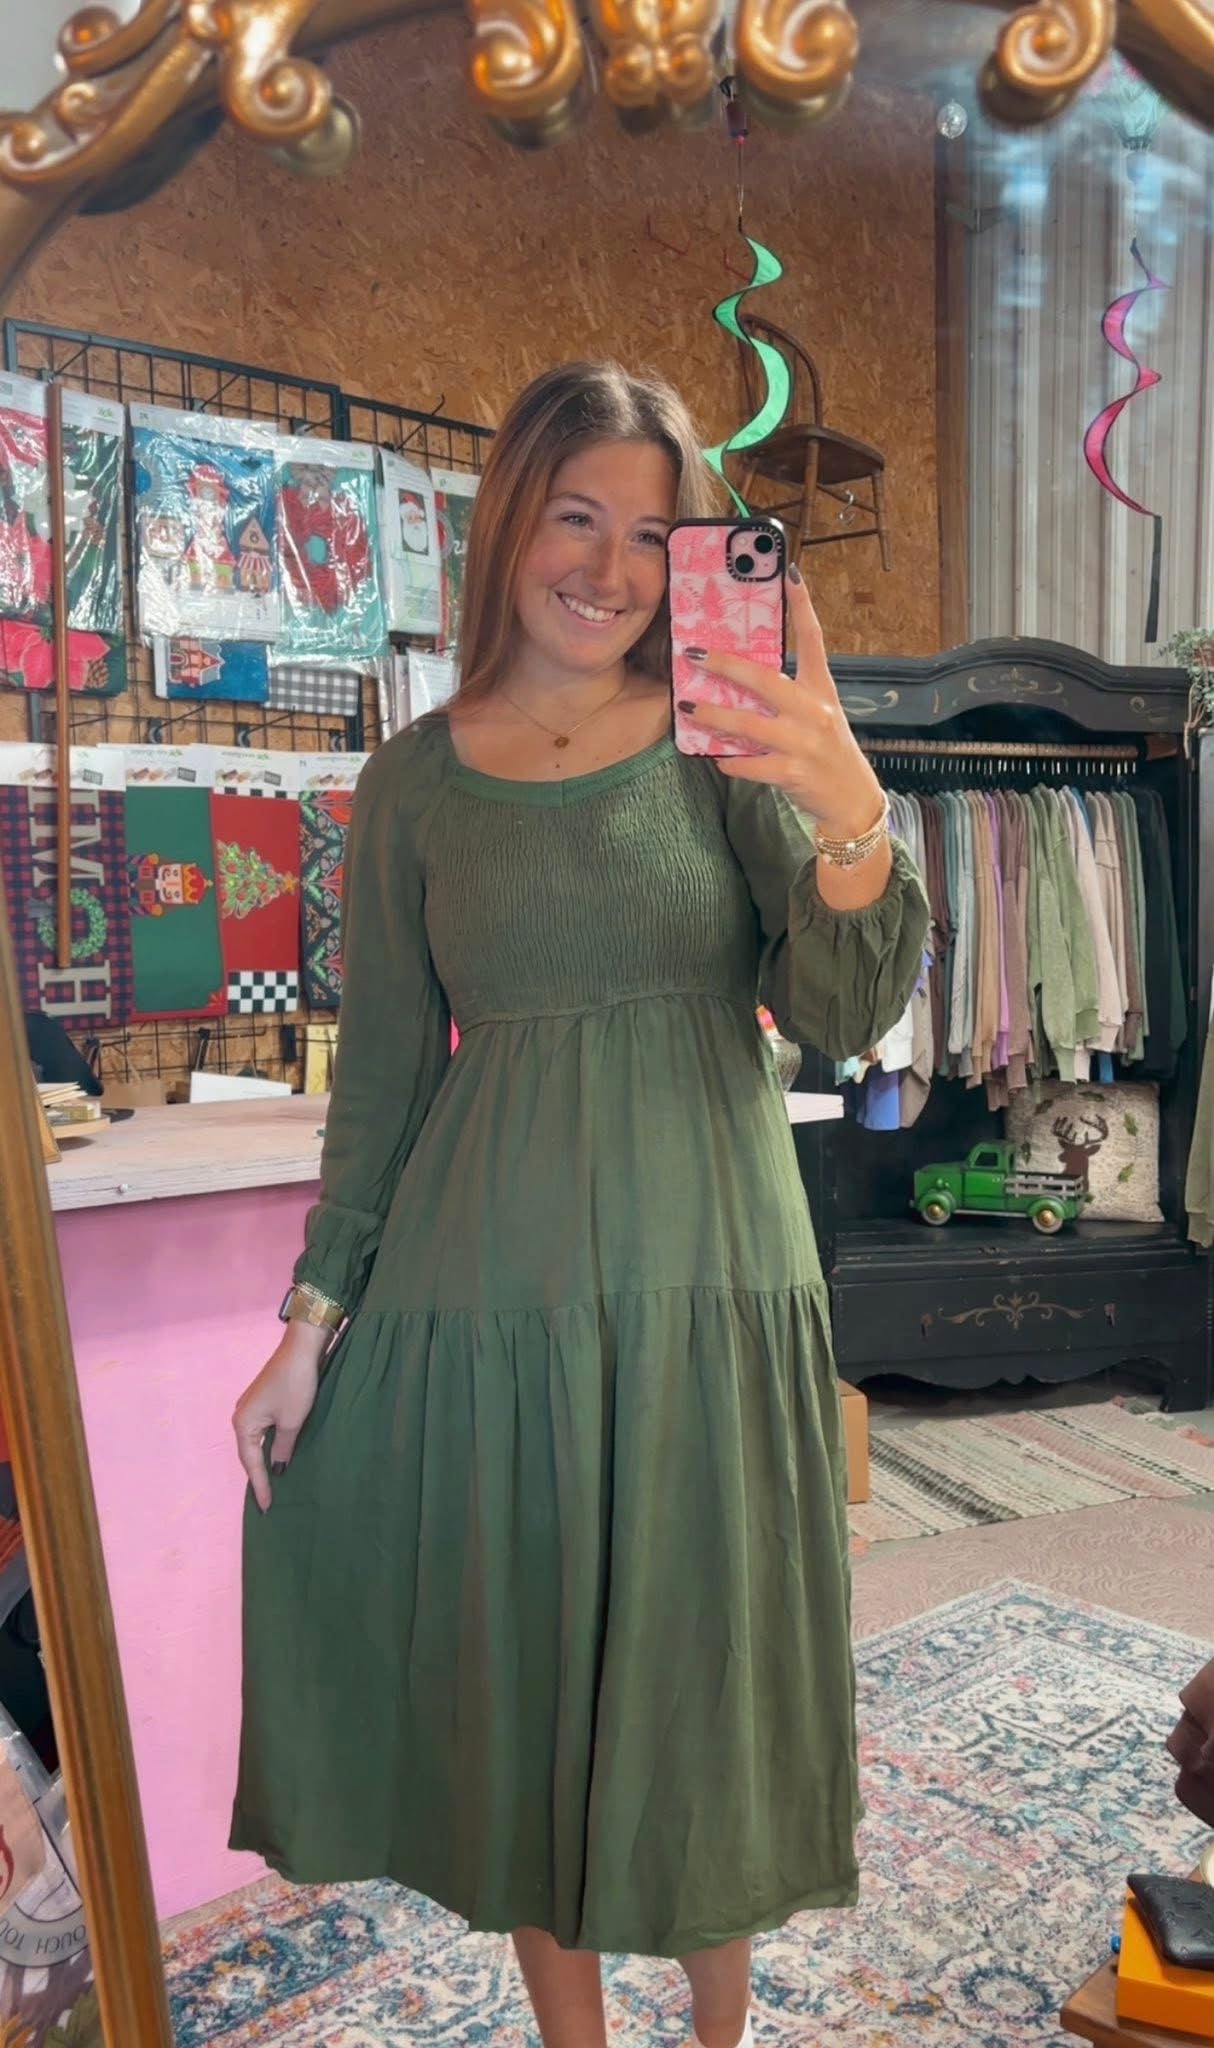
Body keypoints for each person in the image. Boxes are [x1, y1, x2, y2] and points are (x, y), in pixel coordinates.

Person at [231, 361, 929, 2048]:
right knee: (525, 1694)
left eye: (648, 532)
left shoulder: (725, 741)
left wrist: (849, 806)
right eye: (574, 517)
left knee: (698, 1689)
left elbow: (841, 1007)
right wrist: (309, 1326)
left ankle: (717, 2035)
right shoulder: (410, 785)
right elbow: (382, 1085)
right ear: (508, 525)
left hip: (709, 1278)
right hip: (484, 1298)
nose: (609, 569)